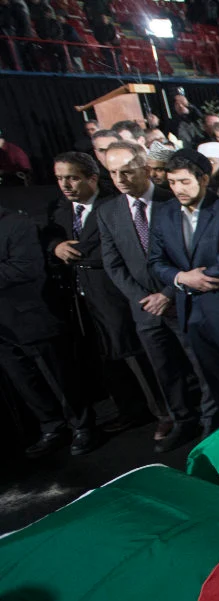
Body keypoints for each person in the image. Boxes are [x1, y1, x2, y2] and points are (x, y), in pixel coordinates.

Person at [96, 141, 206, 452]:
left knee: (201, 365)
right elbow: (113, 264)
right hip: (145, 309)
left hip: (183, 301)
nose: (119, 179)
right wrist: (145, 299)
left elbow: (193, 252)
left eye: (127, 172)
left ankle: (215, 419)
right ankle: (183, 420)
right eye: (113, 172)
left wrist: (168, 292)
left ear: (145, 169)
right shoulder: (108, 211)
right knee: (165, 371)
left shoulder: (173, 201)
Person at [45, 152, 161, 433]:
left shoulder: (114, 205)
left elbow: (109, 251)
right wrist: (56, 246)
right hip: (84, 301)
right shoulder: (59, 209)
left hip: (117, 295)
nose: (65, 185)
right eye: (60, 178)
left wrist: (74, 254)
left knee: (139, 356)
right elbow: (48, 236)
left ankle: (162, 411)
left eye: (72, 177)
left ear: (92, 178)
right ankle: (131, 410)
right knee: (106, 358)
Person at [146, 149, 219, 426]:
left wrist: (195, 278)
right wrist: (181, 278)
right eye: (173, 182)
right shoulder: (163, 214)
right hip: (189, 312)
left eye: (184, 181)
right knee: (214, 384)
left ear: (203, 178)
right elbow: (155, 261)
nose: (178, 189)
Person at [0, 204, 97, 456]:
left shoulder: (16, 224)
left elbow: (24, 269)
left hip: (31, 315)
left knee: (57, 375)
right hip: (3, 326)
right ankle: (52, 427)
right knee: (24, 379)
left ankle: (82, 426)